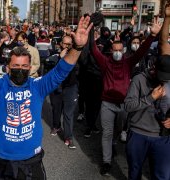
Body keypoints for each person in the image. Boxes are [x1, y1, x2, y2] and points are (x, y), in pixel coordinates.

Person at [0, 16, 92, 179]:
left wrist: (77, 47)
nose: (20, 70)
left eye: (24, 66)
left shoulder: (38, 86)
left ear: (30, 67)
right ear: (7, 68)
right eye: (16, 66)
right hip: (2, 163)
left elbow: (60, 71)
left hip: (31, 162)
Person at [90, 17, 161, 176]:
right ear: (111, 51)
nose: (116, 52)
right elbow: (94, 50)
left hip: (124, 104)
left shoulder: (128, 62)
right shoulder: (105, 62)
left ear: (123, 50)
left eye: (119, 50)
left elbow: (141, 50)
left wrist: (152, 36)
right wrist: (90, 30)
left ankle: (114, 143)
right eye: (114, 50)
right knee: (106, 133)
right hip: (107, 103)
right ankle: (107, 162)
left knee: (118, 130)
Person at [124, 6, 170, 177]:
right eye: (161, 76)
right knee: (134, 172)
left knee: (162, 175)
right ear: (153, 68)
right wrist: (151, 97)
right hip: (138, 134)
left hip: (162, 138)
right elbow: (128, 106)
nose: (164, 81)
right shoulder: (139, 79)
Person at [48, 35, 78, 149]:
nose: (67, 46)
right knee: (56, 108)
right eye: (65, 44)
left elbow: (75, 69)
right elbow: (50, 68)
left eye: (69, 44)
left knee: (68, 113)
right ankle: (56, 126)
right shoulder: (55, 54)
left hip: (70, 87)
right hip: (57, 87)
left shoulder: (75, 56)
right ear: (61, 44)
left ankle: (69, 137)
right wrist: (60, 58)